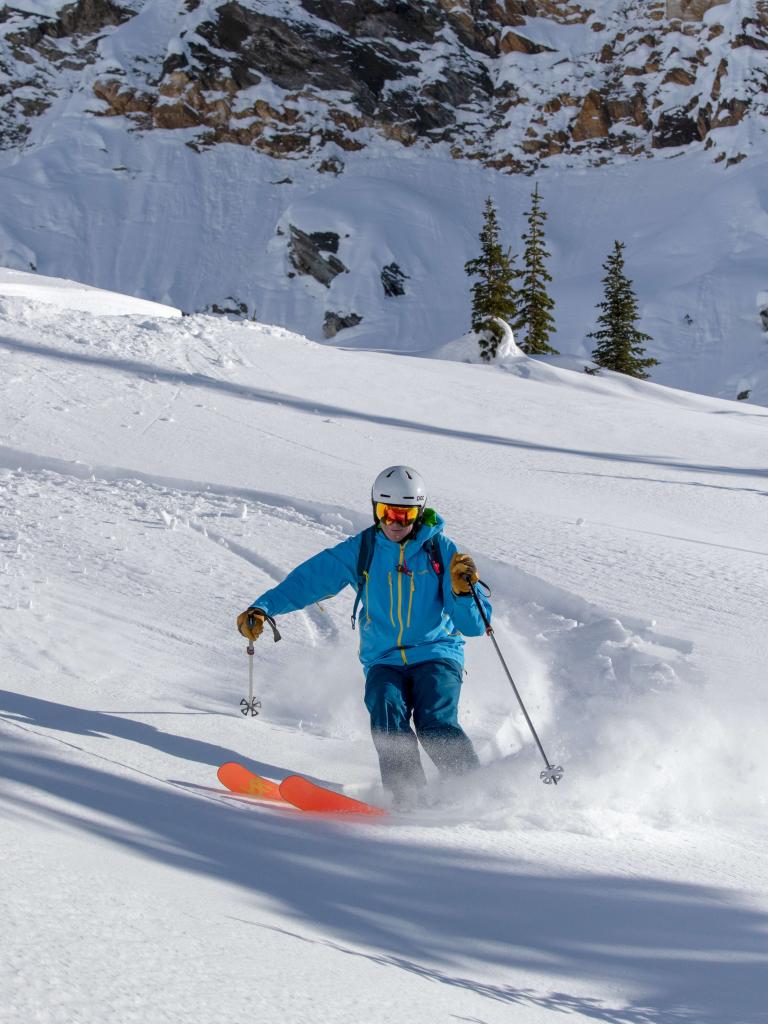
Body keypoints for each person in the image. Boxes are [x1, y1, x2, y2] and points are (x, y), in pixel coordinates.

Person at [236, 465, 492, 805]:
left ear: (419, 512)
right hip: (384, 659)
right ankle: (407, 796)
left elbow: (475, 626)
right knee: (386, 713)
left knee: (433, 720)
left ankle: (474, 791)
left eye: (404, 514)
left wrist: (462, 592)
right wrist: (264, 607)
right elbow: (309, 579)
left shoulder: (442, 552)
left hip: (436, 653)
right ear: (375, 509)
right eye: (386, 512)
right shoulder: (364, 550)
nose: (394, 522)